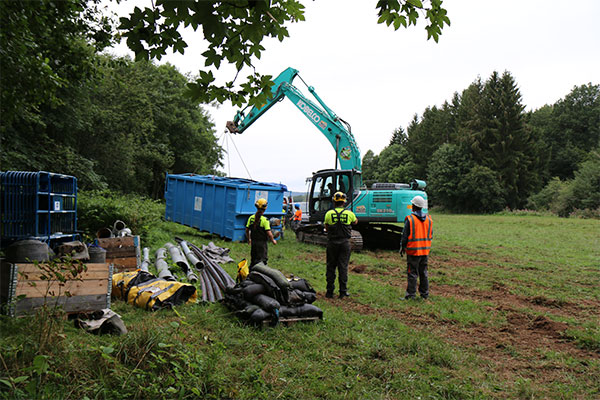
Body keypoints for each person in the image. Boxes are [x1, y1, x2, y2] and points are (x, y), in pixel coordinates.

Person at [324, 192, 358, 299]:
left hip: (332, 243)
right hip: (344, 243)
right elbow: (355, 222)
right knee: (343, 267)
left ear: (334, 202)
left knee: (330, 267)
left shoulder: (329, 214)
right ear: (344, 202)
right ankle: (343, 292)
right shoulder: (349, 213)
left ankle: (329, 292)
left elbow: (327, 227)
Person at [399, 195, 433, 300]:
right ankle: (424, 294)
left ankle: (411, 295)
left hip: (413, 251)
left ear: (413, 206)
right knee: (423, 272)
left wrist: (402, 247)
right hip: (425, 251)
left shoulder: (410, 219)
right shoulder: (429, 219)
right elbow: (430, 235)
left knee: (412, 273)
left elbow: (405, 236)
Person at [246, 198, 277, 267]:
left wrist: (249, 239)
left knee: (253, 260)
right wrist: (273, 240)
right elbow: (269, 233)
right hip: (262, 244)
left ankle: (251, 274)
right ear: (265, 208)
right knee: (262, 261)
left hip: (253, 243)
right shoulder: (265, 220)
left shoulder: (251, 218)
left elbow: (247, 230)